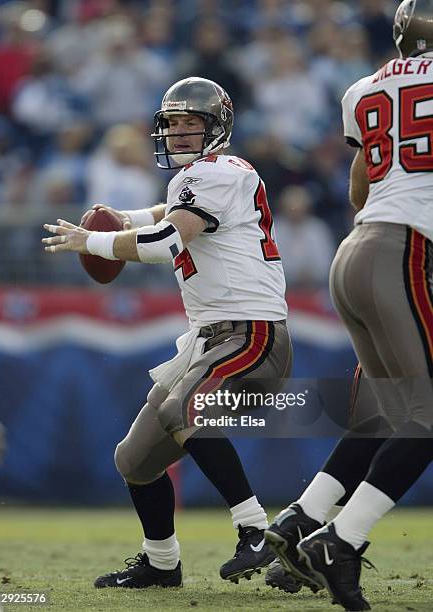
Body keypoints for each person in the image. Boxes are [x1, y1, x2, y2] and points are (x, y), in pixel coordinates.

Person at [42, 77, 293, 590]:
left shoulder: (219, 172)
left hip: (252, 334)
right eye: (171, 124)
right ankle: (161, 562)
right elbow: (162, 216)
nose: (178, 134)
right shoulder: (202, 177)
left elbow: (164, 239)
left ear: (216, 128)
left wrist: (94, 238)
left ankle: (256, 530)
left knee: (184, 410)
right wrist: (117, 219)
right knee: (134, 460)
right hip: (211, 338)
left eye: (191, 124)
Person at [264, 1, 433, 610]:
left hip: (356, 247)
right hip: (406, 252)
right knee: (426, 417)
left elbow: (363, 179)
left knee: (384, 413)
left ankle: (301, 523)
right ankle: (341, 539)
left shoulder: (363, 88)